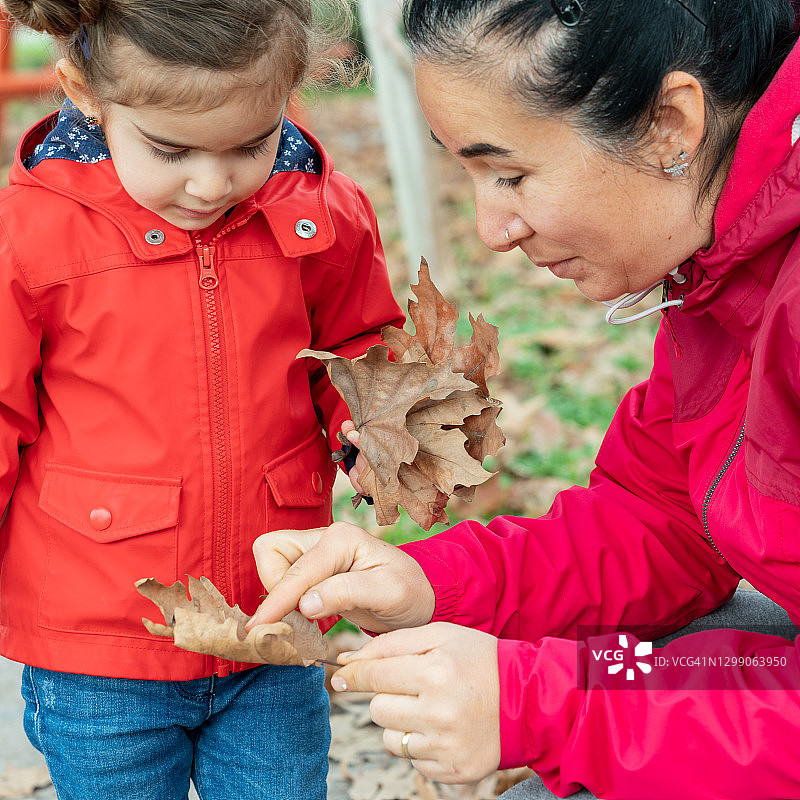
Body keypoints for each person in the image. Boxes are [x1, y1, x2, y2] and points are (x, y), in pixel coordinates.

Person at [248, 0, 800, 798]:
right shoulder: (719, 272)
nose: (491, 228)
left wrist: (551, 707)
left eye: (510, 173)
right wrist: (426, 586)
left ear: (671, 123)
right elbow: (662, 523)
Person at [0, 1, 403, 798]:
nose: (212, 181)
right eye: (171, 149)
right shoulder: (33, 232)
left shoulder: (322, 213)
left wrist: (374, 428)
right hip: (102, 643)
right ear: (83, 90)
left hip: (272, 626)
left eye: (250, 144)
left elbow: (356, 349)